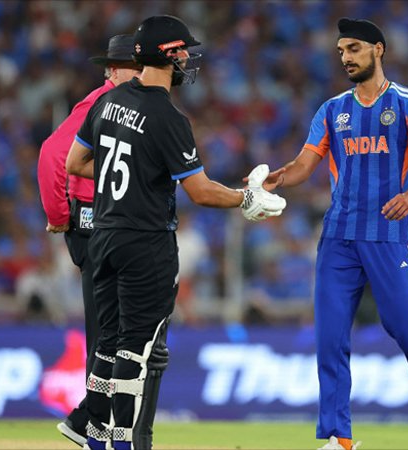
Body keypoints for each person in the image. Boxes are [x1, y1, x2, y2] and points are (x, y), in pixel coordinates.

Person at [257, 18, 408, 450]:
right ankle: (339, 439)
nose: (346, 57)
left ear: (378, 49)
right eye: (342, 50)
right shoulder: (332, 110)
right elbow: (304, 165)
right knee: (330, 341)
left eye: (354, 48)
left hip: (389, 236)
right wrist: (279, 178)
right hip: (338, 238)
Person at [65, 15, 285, 450]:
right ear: (165, 54)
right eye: (182, 50)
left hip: (103, 237)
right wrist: (246, 199)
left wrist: (136, 176)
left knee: (106, 344)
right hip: (145, 242)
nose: (187, 58)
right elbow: (201, 192)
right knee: (135, 351)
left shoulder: (107, 102)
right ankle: (124, 444)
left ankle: (96, 439)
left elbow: (75, 163)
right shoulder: (168, 117)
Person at [37, 34, 142, 447]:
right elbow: (52, 154)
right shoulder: (101, 102)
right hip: (94, 223)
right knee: (107, 333)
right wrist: (59, 217)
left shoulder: (122, 105)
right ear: (113, 70)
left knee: (113, 331)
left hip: (108, 223)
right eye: (135, 68)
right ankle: (94, 426)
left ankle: (92, 421)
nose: (142, 75)